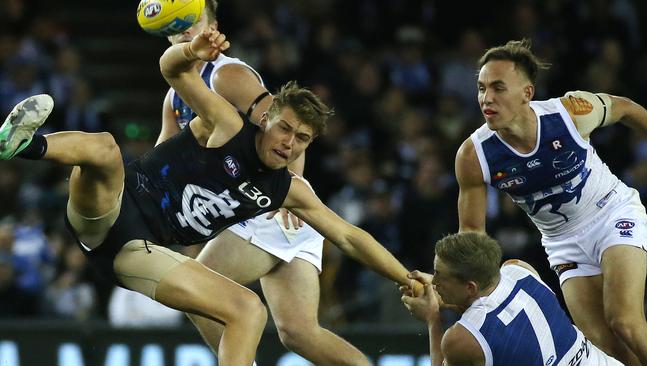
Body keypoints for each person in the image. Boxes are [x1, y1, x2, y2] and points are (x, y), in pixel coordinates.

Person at [0, 29, 416, 366]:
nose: (290, 144)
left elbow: (349, 236)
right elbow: (172, 72)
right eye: (285, 129)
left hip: (138, 251)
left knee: (248, 310)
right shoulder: (226, 124)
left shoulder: (287, 190)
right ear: (266, 118)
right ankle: (21, 146)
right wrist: (188, 53)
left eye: (302, 139)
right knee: (105, 148)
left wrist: (407, 277)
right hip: (109, 209)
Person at [160, 2, 370, 364]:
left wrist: (291, 187)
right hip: (264, 208)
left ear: (214, 26)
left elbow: (289, 126)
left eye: (193, 21)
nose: (184, 30)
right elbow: (160, 165)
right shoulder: (174, 95)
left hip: (269, 205)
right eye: (176, 24)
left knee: (196, 293)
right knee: (299, 333)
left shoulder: (227, 76)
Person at [455, 39, 647, 365]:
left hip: (612, 214)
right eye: (481, 88)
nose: (486, 98)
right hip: (563, 244)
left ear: (527, 94)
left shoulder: (570, 113)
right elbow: (472, 235)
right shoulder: (474, 155)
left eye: (498, 87)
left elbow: (627, 108)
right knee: (606, 350)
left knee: (624, 321)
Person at [401, 232, 624, 366]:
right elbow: (492, 307)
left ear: (470, 287)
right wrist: (443, 291)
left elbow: (480, 324)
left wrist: (433, 319)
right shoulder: (519, 269)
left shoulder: (459, 339)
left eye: (440, 274)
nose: (435, 281)